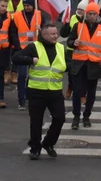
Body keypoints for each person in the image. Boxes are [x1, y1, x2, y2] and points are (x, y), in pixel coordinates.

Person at [13, 21, 67, 160]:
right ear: (44, 35)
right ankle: (35, 148)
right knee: (36, 121)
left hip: (55, 91)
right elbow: (16, 58)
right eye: (52, 34)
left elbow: (69, 64)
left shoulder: (61, 48)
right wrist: (30, 60)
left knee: (60, 118)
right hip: (36, 91)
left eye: (56, 33)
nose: (56, 36)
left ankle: (48, 143)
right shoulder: (34, 47)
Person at [67, 0, 101, 129]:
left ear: (97, 15)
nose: (91, 16)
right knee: (77, 92)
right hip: (79, 64)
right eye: (89, 13)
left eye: (94, 14)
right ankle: (76, 117)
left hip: (94, 65)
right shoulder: (78, 26)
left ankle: (86, 116)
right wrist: (74, 43)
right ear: (86, 14)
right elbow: (69, 41)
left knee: (91, 93)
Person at [11, 0, 43, 111]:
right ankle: (21, 100)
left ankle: (30, 97)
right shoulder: (17, 16)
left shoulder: (39, 15)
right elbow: (13, 32)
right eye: (24, 5)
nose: (26, 7)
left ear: (33, 5)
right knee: (22, 75)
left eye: (28, 5)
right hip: (22, 49)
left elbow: (46, 31)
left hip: (35, 48)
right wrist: (18, 47)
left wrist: (41, 29)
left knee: (33, 75)